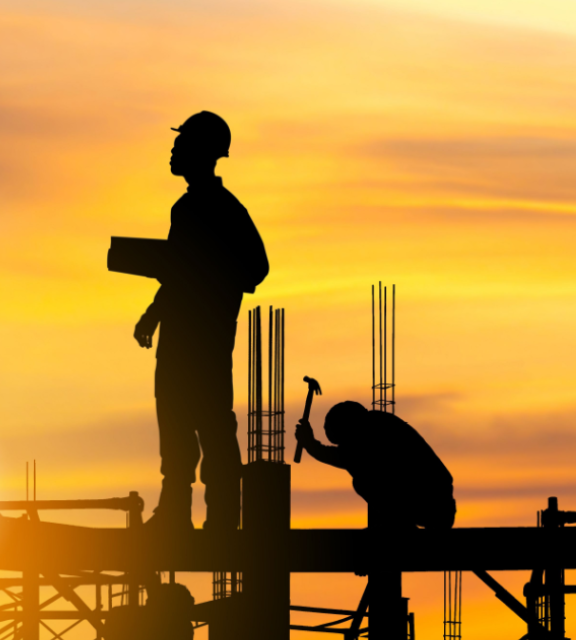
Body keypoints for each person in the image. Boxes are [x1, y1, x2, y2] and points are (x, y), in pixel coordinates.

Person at [134, 112, 269, 532]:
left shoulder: (224, 210)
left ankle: (224, 515)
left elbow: (255, 268)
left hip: (205, 341)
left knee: (210, 421)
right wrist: (154, 314)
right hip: (178, 337)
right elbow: (178, 271)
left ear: (202, 152)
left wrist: (209, 277)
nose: (173, 151)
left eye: (181, 144)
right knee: (174, 419)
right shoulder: (187, 208)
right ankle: (175, 510)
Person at [295, 401, 456, 530]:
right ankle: (398, 526)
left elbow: (346, 458)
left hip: (431, 505)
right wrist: (311, 444)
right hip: (437, 505)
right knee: (368, 477)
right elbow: (347, 457)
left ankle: (400, 527)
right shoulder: (378, 424)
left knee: (364, 481)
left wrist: (311, 445)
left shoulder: (371, 432)